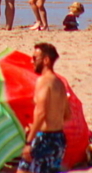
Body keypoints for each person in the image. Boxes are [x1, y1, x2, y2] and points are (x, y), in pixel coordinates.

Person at [20, 43, 70, 173]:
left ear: (46, 60)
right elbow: (67, 114)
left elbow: (41, 113)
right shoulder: (60, 83)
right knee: (23, 169)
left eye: (35, 58)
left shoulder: (43, 81)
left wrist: (29, 142)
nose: (32, 61)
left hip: (44, 138)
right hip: (59, 138)